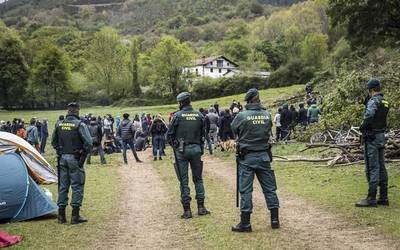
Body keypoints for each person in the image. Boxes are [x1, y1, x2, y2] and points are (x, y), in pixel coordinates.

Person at [231, 88, 280, 232]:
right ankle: (275, 220)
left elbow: (234, 129)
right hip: (264, 156)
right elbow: (268, 130)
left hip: (247, 158)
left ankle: (245, 223)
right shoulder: (266, 114)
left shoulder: (242, 116)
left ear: (248, 101)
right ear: (258, 99)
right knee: (270, 189)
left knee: (246, 190)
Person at [167, 92, 210, 219]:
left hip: (181, 150)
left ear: (180, 103)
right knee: (198, 179)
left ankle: (187, 210)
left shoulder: (177, 116)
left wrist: (174, 145)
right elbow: (204, 134)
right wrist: (200, 148)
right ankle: (201, 207)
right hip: (196, 149)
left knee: (183, 181)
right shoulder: (199, 115)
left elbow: (169, 135)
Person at [51, 102, 92, 224]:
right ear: (77, 111)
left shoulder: (59, 124)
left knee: (63, 186)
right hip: (75, 158)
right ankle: (75, 216)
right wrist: (83, 154)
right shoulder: (80, 124)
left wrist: (60, 150)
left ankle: (61, 216)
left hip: (62, 158)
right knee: (77, 185)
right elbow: (89, 143)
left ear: (68, 111)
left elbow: (53, 142)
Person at [356, 79, 389, 207]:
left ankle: (371, 198)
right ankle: (384, 197)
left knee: (372, 167)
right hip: (381, 136)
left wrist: (363, 126)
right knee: (381, 166)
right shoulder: (385, 101)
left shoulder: (373, 101)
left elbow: (369, 115)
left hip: (372, 137)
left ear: (371, 89)